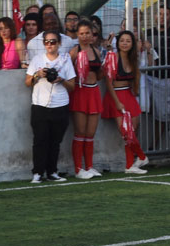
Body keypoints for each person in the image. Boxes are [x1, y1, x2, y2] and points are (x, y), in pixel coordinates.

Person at [25, 30, 77, 183]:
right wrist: (37, 75)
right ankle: (37, 173)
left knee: (55, 141)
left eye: (53, 42)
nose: (49, 45)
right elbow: (27, 82)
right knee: (40, 140)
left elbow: (72, 85)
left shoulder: (65, 60)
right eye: (46, 42)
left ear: (59, 43)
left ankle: (52, 171)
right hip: (40, 105)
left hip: (60, 104)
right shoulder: (36, 60)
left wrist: (60, 80)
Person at [102, 30, 149, 174]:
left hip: (129, 95)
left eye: (128, 41)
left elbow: (135, 81)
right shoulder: (113, 57)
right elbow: (109, 82)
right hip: (116, 96)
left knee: (132, 131)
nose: (125, 43)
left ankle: (129, 166)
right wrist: (117, 102)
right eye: (122, 40)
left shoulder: (133, 59)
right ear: (118, 42)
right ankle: (141, 156)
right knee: (126, 132)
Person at [68, 21, 110, 179]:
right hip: (80, 91)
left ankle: (89, 166)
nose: (85, 36)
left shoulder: (97, 51)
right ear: (77, 35)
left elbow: (99, 75)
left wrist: (106, 69)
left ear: (93, 35)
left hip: (94, 91)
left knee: (91, 133)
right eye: (81, 33)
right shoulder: (74, 52)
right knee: (80, 132)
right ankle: (78, 169)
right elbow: (68, 73)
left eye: (87, 33)